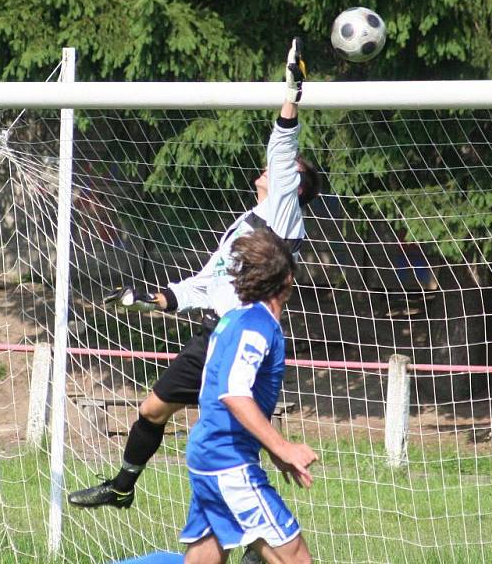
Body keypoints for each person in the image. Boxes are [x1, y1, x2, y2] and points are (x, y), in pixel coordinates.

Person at [69, 37, 320, 510]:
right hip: (213, 333)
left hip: (244, 335)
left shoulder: (284, 213)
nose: (266, 171)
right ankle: (123, 486)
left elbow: (284, 144)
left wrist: (292, 89)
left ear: (293, 184)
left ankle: (260, 541)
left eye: (279, 170)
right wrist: (159, 297)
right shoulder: (247, 223)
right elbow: (207, 281)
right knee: (151, 409)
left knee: (239, 435)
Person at [179, 227, 317, 564]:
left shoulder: (233, 320)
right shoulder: (257, 326)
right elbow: (234, 392)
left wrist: (271, 449)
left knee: (206, 551)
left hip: (207, 453)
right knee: (294, 556)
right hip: (228, 461)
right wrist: (283, 446)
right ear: (287, 279)